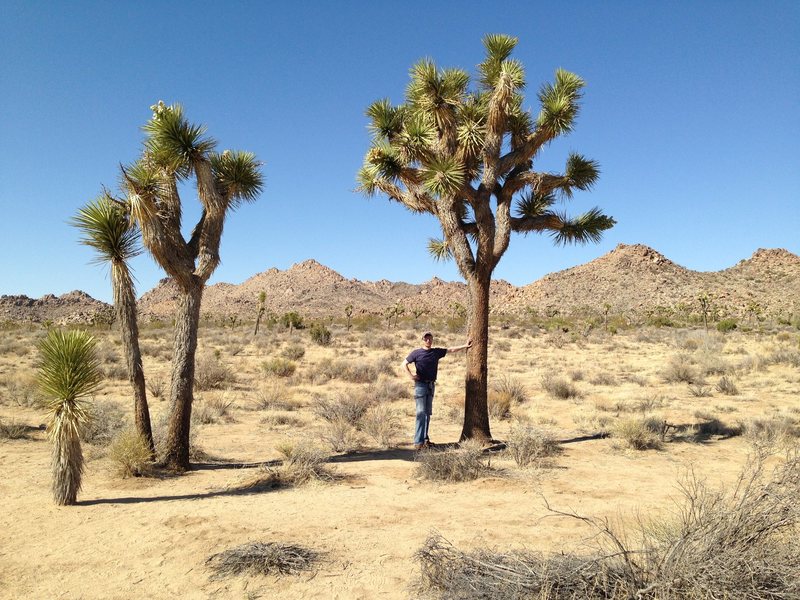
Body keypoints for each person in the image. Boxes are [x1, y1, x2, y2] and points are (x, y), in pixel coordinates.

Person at [403, 331, 472, 450]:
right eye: (426, 339)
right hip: (420, 385)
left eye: (430, 339)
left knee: (427, 413)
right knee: (421, 413)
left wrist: (465, 346)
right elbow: (403, 364)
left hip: (430, 385)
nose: (428, 341)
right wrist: (411, 376)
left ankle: (425, 439)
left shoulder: (436, 352)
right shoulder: (416, 353)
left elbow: (450, 350)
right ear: (422, 340)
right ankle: (418, 442)